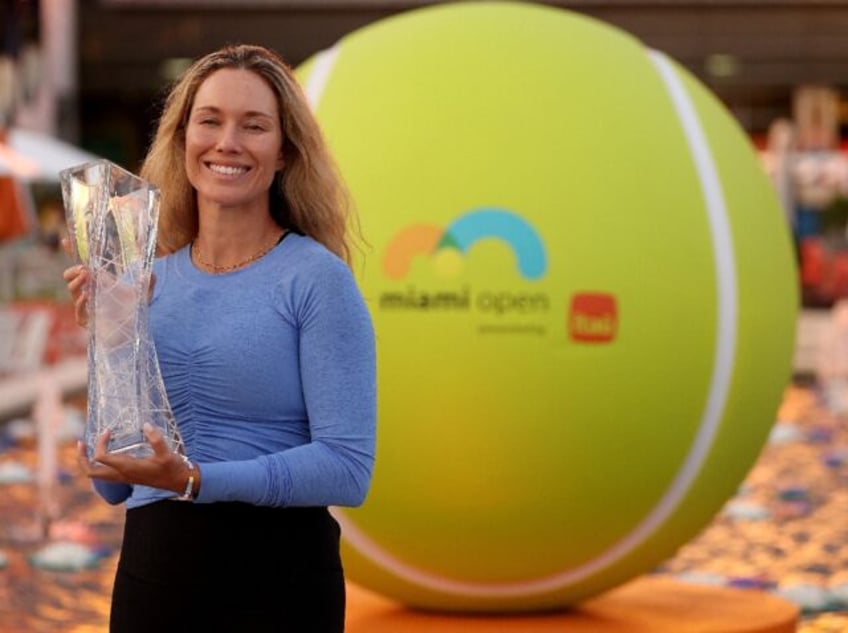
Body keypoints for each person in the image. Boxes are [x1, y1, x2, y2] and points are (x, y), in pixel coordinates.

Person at [62, 43, 377, 632]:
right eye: (209, 121)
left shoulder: (316, 280)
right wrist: (113, 343)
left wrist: (194, 479)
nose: (227, 142)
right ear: (183, 139)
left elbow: (347, 468)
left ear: (284, 152)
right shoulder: (145, 283)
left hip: (278, 585)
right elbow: (110, 484)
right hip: (153, 584)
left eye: (253, 126)